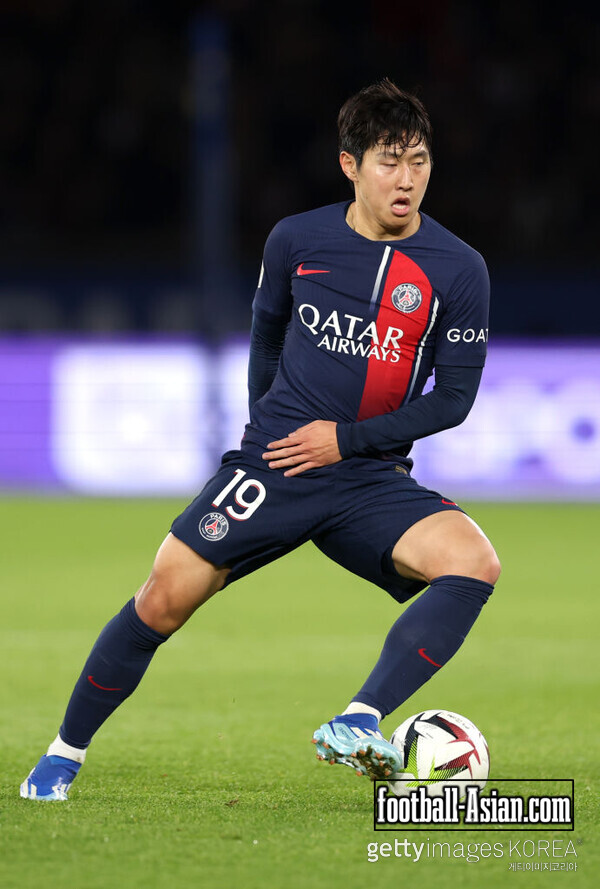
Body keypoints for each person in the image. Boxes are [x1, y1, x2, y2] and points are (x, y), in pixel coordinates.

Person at [21, 78, 500, 801]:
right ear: (350, 164)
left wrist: (345, 440)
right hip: (274, 463)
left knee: (474, 561)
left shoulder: (459, 270)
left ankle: (359, 716)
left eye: (419, 161)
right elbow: (266, 330)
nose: (407, 180)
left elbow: (455, 400)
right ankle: (60, 756)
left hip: (367, 474)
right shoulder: (296, 240)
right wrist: (266, 427)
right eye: (388, 161)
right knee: (161, 599)